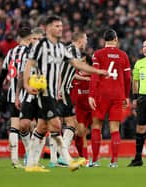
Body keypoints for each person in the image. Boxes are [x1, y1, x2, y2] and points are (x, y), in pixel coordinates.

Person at [24, 15, 107, 172]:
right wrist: (27, 84)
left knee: (43, 127)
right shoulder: (42, 45)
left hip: (58, 91)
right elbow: (30, 64)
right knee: (58, 124)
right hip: (47, 90)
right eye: (57, 26)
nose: (60, 29)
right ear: (48, 28)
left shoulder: (62, 48)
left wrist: (97, 71)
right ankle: (65, 159)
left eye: (61, 26)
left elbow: (75, 66)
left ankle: (32, 162)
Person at [88, 29, 131, 167]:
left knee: (96, 126)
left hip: (102, 94)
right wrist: (126, 96)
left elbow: (94, 76)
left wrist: (91, 95)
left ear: (104, 40)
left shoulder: (98, 54)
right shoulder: (123, 55)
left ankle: (95, 160)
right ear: (116, 39)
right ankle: (114, 161)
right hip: (118, 95)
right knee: (115, 129)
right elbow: (127, 78)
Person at [0, 26, 34, 168]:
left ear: (19, 38)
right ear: (30, 39)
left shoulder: (11, 52)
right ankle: (30, 155)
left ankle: (14, 159)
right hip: (27, 93)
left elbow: (3, 74)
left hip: (12, 93)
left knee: (14, 127)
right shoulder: (30, 52)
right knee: (31, 125)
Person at [51, 31, 89, 168]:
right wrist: (58, 89)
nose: (87, 42)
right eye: (85, 39)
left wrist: (84, 78)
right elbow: (60, 71)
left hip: (62, 90)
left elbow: (69, 72)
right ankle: (62, 156)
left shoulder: (69, 50)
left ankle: (54, 159)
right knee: (72, 124)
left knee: (57, 124)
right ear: (80, 40)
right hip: (62, 91)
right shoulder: (73, 51)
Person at [18, 27, 44, 166]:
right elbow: (21, 76)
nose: (37, 41)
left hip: (43, 95)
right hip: (28, 94)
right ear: (30, 40)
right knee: (24, 125)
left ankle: (34, 158)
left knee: (42, 127)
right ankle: (29, 152)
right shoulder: (25, 55)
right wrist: (17, 96)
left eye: (40, 39)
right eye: (35, 39)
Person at [74, 53, 93, 166]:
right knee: (81, 132)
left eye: (84, 61)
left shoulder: (94, 73)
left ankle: (92, 158)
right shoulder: (74, 74)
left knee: (95, 131)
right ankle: (84, 157)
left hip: (92, 107)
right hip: (80, 108)